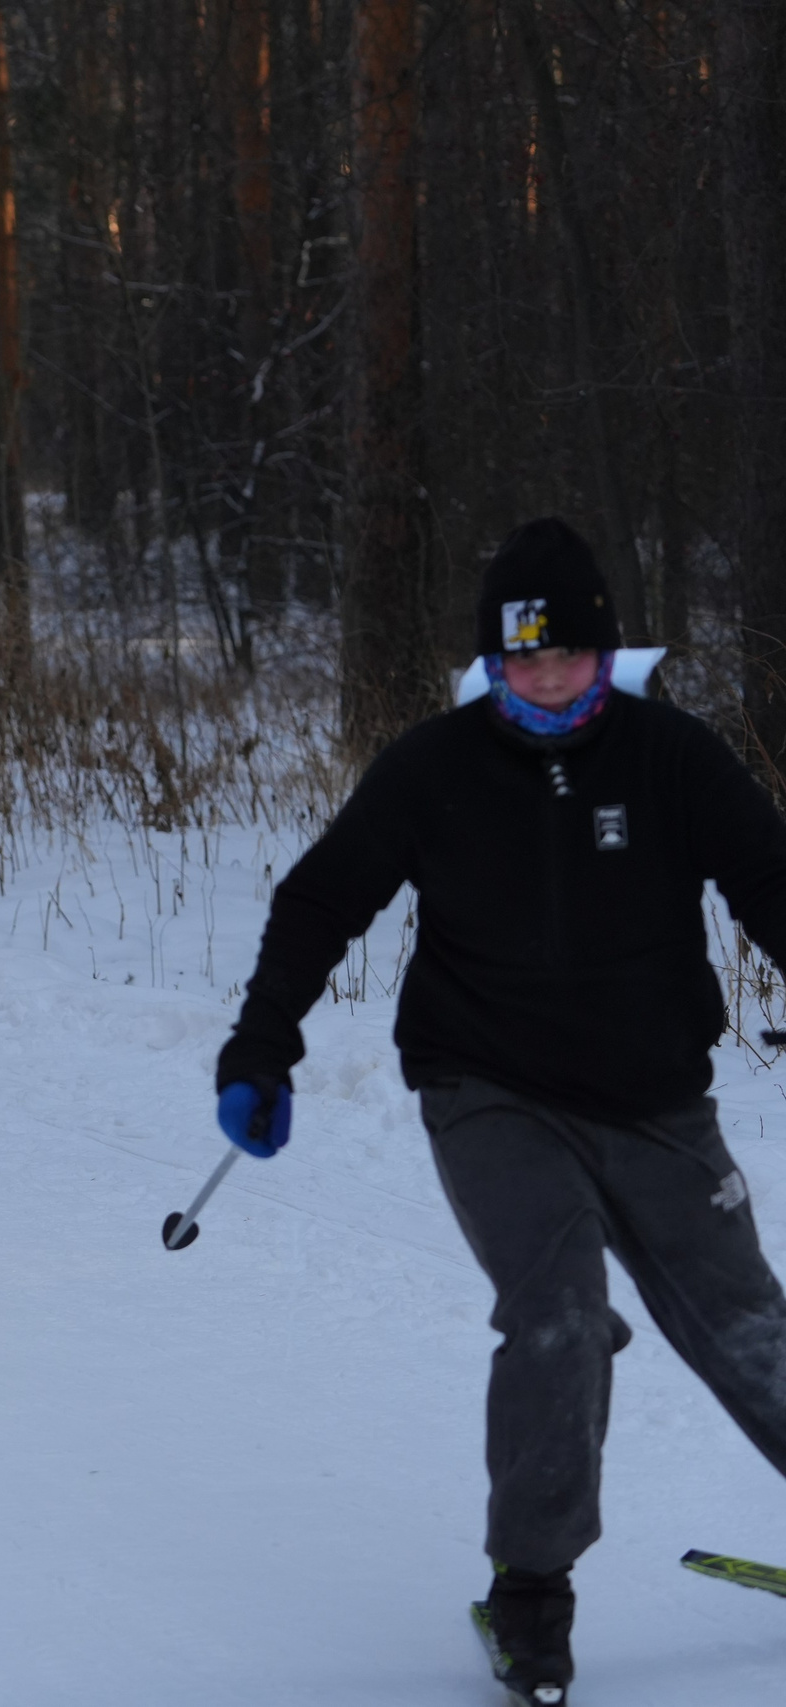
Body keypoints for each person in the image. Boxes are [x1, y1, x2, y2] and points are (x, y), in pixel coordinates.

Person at [214, 518, 786, 1706]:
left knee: (747, 1328)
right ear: (490, 662)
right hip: (490, 1090)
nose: (545, 680)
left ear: (603, 652)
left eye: (567, 657)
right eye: (520, 661)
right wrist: (261, 1043)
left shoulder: (671, 758)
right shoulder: (433, 769)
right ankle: (531, 1587)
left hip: (655, 1099)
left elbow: (768, 881)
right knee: (560, 1318)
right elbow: (320, 902)